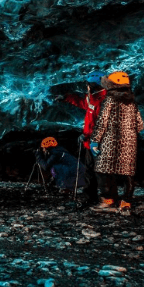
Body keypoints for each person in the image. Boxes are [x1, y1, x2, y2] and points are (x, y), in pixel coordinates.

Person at [89, 71, 144, 213]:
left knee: (102, 170)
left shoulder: (109, 99)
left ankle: (107, 201)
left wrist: (95, 141)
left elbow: (102, 122)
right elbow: (140, 124)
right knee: (128, 173)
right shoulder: (132, 101)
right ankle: (126, 203)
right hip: (129, 143)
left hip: (110, 141)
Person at [57, 71, 106, 207]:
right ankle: (92, 197)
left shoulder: (103, 101)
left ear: (94, 84)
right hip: (89, 142)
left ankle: (101, 198)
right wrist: (66, 97)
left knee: (98, 171)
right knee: (90, 170)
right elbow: (82, 103)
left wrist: (88, 136)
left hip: (97, 143)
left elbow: (102, 124)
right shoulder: (94, 98)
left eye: (88, 83)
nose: (87, 86)